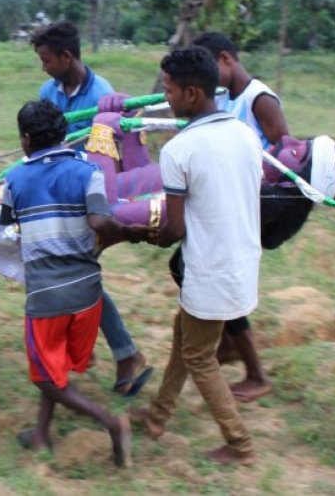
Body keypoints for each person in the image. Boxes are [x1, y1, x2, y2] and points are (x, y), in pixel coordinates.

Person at [130, 47, 261, 465]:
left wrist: (134, 232)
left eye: (167, 90)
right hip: (240, 262)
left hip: (209, 270)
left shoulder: (179, 150)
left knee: (200, 356)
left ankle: (239, 444)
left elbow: (174, 229)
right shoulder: (243, 133)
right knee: (185, 338)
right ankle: (156, 417)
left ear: (190, 93)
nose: (164, 97)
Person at [0, 100, 148, 467]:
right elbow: (100, 221)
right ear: (65, 134)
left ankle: (111, 423)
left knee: (44, 377)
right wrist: (128, 232)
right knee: (54, 365)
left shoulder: (15, 177)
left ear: (26, 138)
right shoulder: (87, 172)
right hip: (88, 295)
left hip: (47, 295)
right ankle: (40, 433)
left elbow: (7, 223)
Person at [31, 21, 152, 397]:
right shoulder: (47, 92)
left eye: (47, 60)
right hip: (54, 199)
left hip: (89, 201)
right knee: (73, 276)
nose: (44, 67)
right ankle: (107, 352)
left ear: (67, 57)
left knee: (75, 277)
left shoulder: (104, 98)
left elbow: (110, 162)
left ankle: (121, 353)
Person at [189, 31, 291, 402]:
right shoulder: (223, 98)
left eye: (209, 69)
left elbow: (285, 162)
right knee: (193, 269)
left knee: (217, 278)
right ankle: (233, 348)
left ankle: (255, 372)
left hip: (247, 209)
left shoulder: (258, 100)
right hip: (225, 206)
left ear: (226, 59)